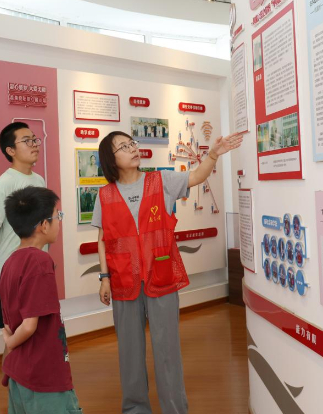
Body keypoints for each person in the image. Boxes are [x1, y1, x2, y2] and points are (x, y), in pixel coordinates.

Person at [93, 130, 242, 414]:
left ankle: (175, 409)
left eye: (132, 143)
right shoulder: (104, 195)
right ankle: (135, 408)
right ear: (110, 159)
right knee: (129, 352)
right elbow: (102, 240)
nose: (132, 148)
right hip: (123, 280)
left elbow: (195, 177)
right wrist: (104, 278)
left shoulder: (161, 180)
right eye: (123, 146)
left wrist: (213, 155)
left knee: (167, 352)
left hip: (160, 275)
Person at [0, 186, 83, 414]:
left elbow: (9, 323)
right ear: (44, 225)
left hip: (19, 373)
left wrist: (9, 342)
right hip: (42, 375)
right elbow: (29, 325)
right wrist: (10, 343)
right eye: (58, 216)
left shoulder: (9, 263)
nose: (59, 222)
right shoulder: (40, 262)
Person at [0, 122, 45, 356]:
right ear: (10, 150)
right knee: (13, 336)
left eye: (34, 139)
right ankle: (11, 378)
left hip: (35, 267)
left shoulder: (39, 180)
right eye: (26, 141)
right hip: (11, 271)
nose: (34, 144)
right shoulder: (6, 183)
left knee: (33, 334)